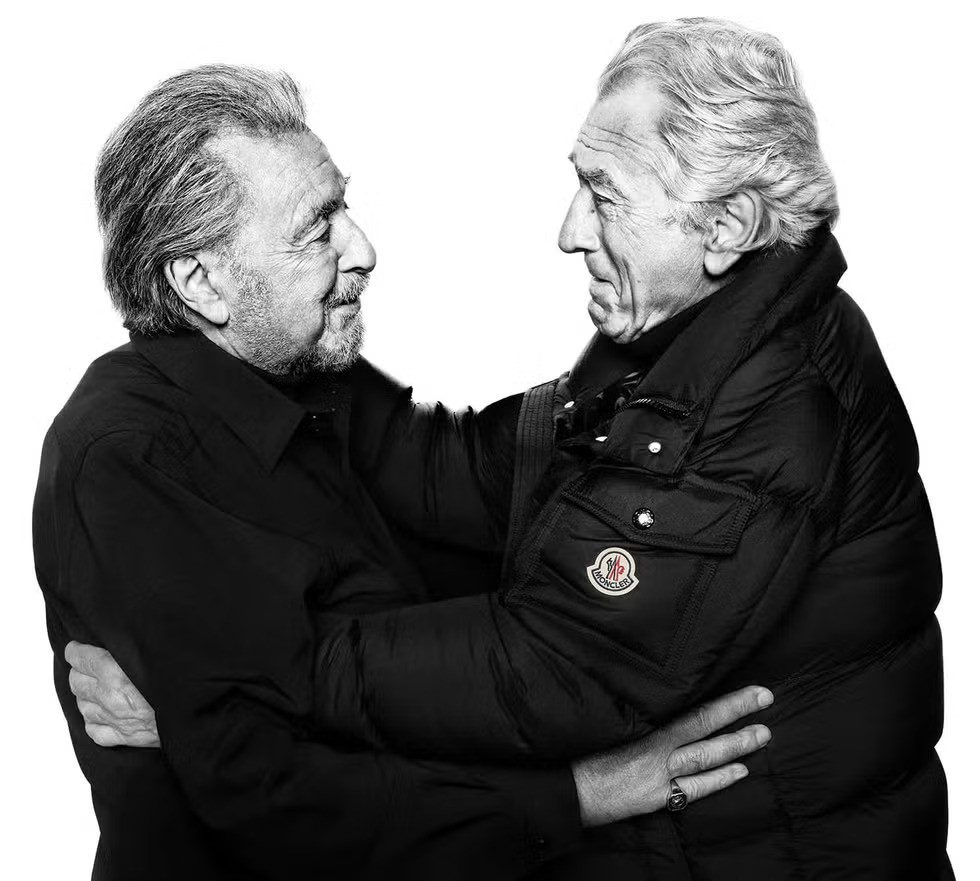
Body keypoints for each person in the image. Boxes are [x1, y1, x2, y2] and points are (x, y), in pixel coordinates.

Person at [68, 17, 953, 879]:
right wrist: (307, 331)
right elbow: (469, 475)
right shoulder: (680, 345)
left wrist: (220, 690)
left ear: (724, 229)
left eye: (604, 194)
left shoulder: (775, 401)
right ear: (198, 280)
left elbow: (545, 671)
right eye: (317, 224)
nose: (569, 229)